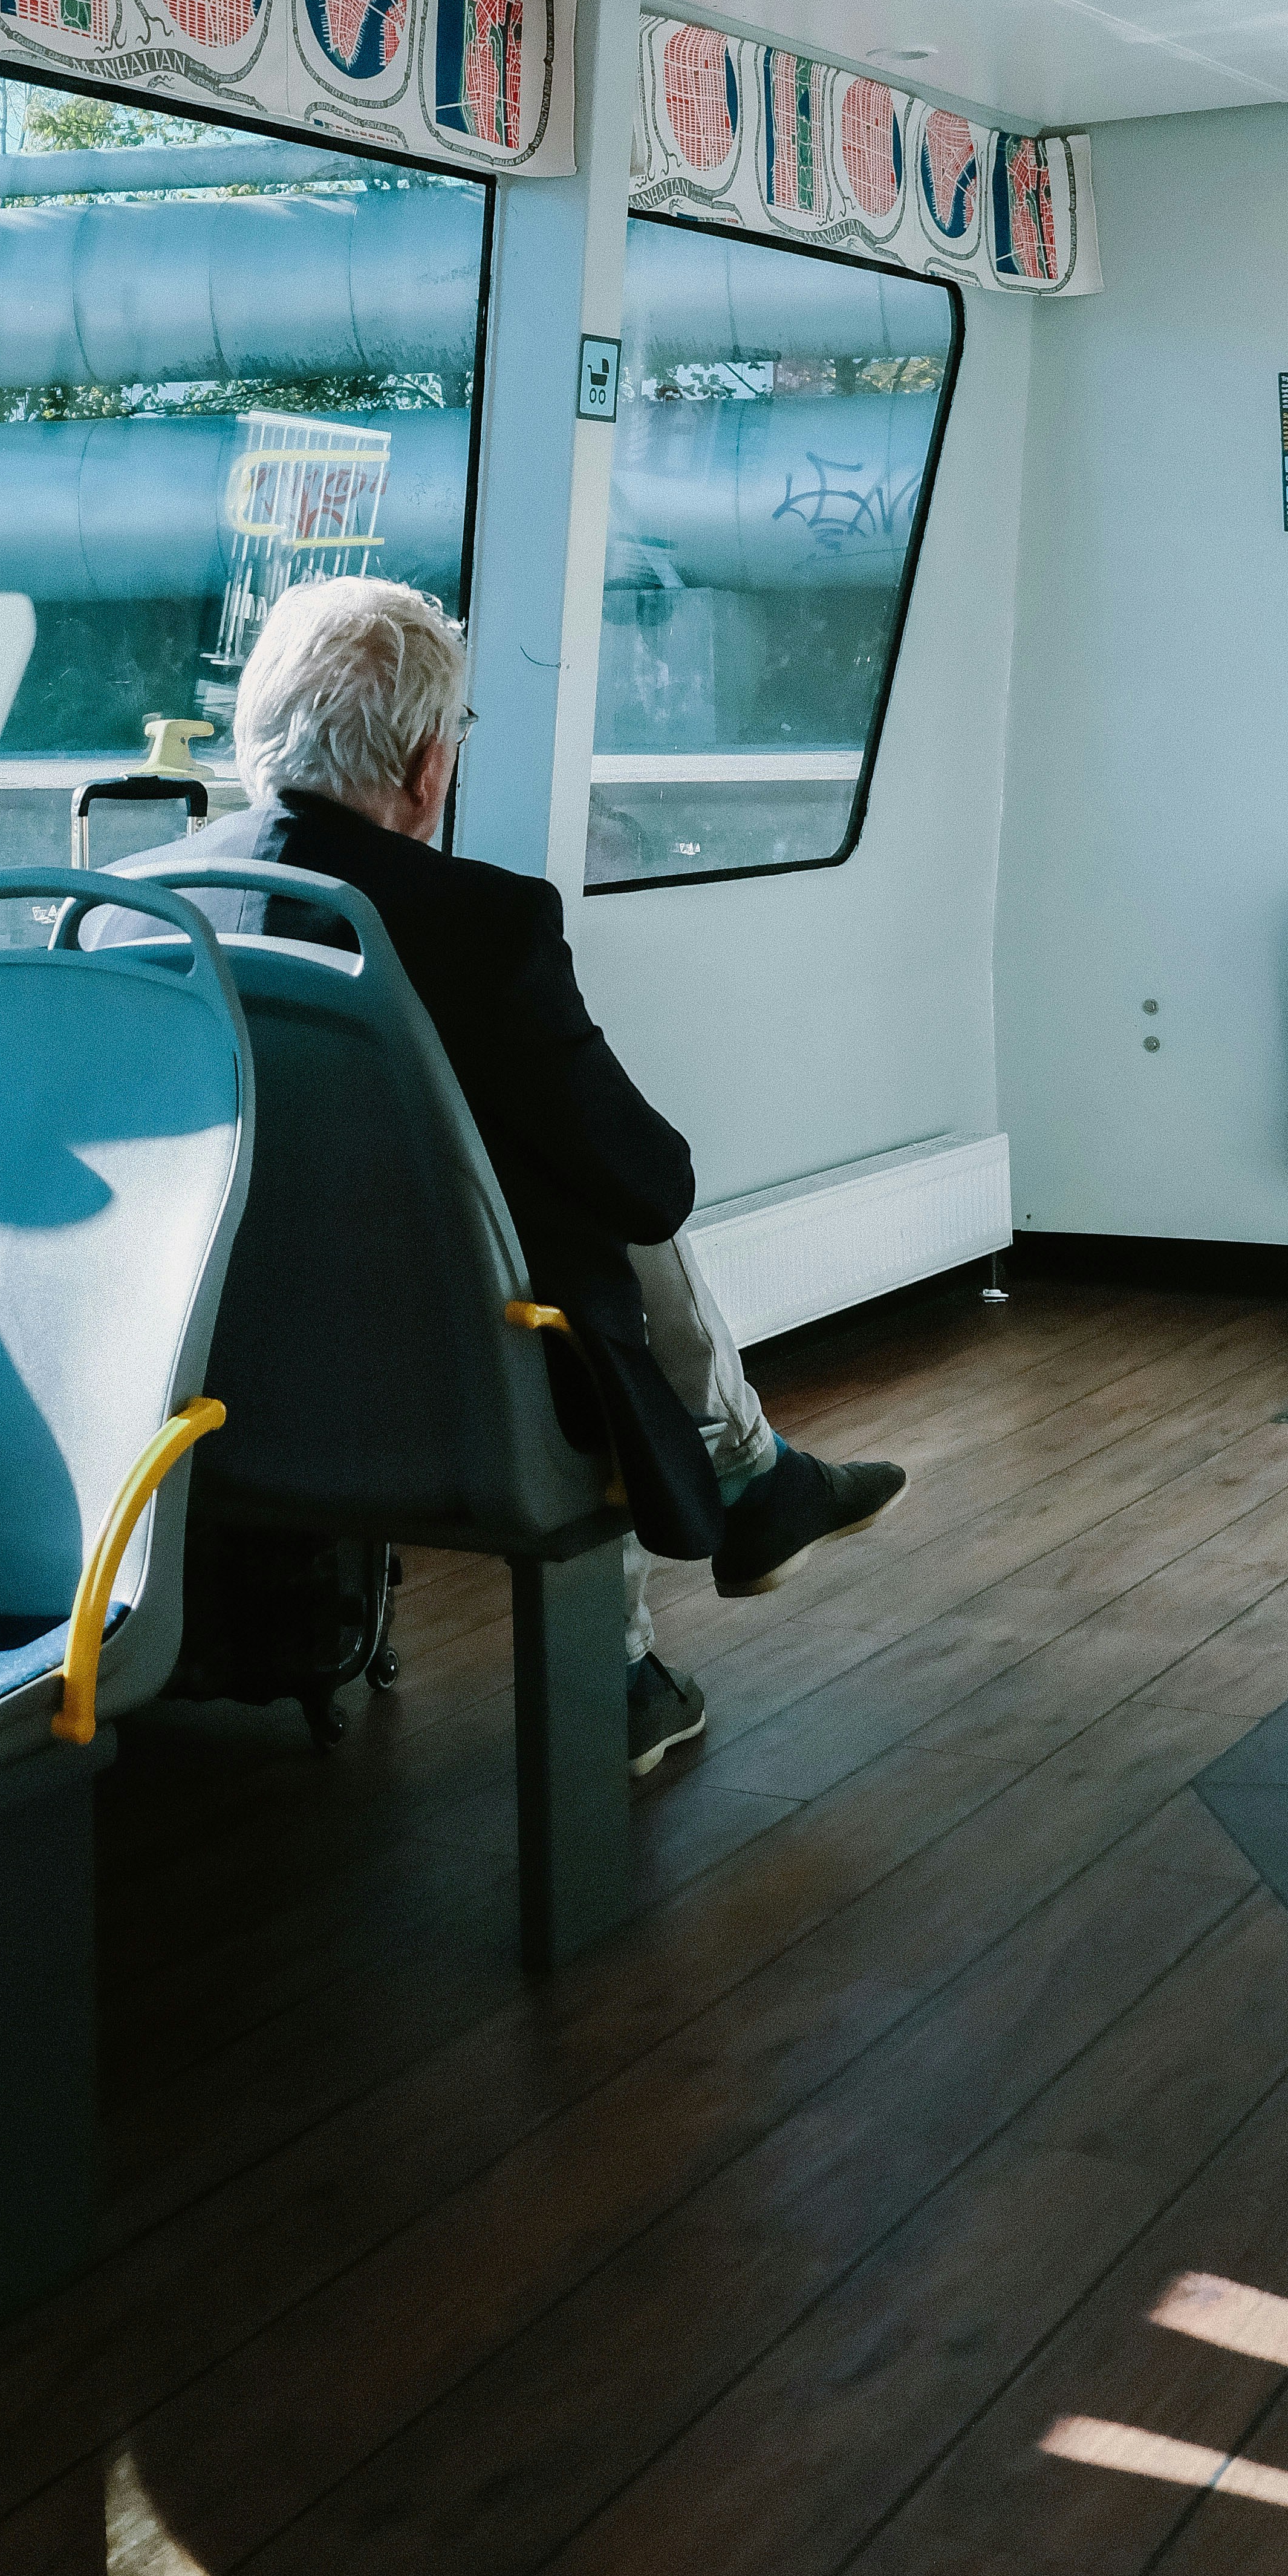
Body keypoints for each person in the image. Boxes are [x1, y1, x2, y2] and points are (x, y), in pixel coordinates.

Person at [123, 576, 906, 1781]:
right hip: (439, 1399)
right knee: (570, 1215)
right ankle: (694, 1556)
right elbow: (650, 1183)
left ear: (249, 736)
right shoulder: (480, 924)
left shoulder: (130, 909)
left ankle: (750, 1487)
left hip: (158, 1386)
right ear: (431, 764)